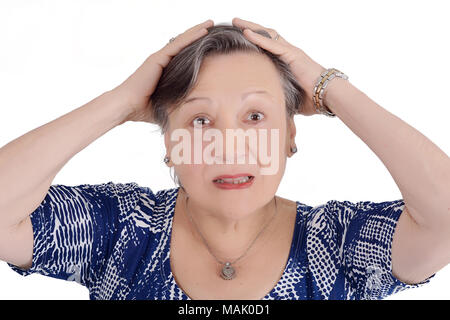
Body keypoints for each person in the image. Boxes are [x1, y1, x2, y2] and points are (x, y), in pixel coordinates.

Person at [0, 17, 448, 300]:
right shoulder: (121, 230)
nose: (231, 144)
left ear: (290, 133)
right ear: (168, 141)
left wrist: (330, 88)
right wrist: (121, 101)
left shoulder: (335, 245)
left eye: (255, 115)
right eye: (199, 120)